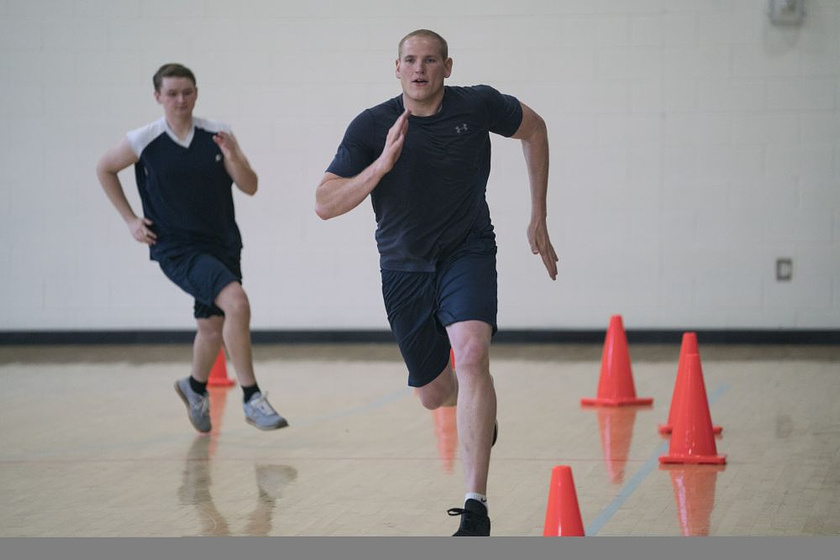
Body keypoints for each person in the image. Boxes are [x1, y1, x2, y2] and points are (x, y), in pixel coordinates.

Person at [315, 30, 558, 536]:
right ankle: (475, 411)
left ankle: (475, 508)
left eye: (430, 60)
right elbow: (324, 202)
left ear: (447, 66)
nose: (419, 68)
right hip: (403, 267)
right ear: (397, 68)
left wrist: (538, 214)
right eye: (410, 60)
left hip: (467, 251)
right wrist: (380, 166)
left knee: (471, 355)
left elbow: (534, 130)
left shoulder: (478, 105)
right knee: (434, 394)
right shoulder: (372, 125)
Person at [96, 63, 288, 434]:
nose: (180, 100)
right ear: (158, 97)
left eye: (187, 92)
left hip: (223, 243)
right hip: (177, 248)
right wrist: (130, 220)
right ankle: (252, 397)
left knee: (211, 326)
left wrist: (233, 156)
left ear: (196, 93)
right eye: (172, 93)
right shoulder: (144, 139)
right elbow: (104, 168)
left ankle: (194, 387)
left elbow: (250, 186)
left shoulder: (218, 133)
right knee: (237, 303)